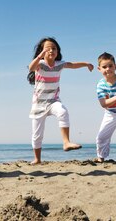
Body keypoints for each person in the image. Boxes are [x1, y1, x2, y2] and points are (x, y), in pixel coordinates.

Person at [27, 37, 94, 165]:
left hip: (53, 100)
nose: (51, 50)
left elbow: (72, 65)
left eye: (54, 48)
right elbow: (31, 68)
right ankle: (37, 159)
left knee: (63, 111)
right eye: (48, 49)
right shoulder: (40, 64)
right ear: (42, 51)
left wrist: (86, 64)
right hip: (39, 104)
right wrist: (39, 56)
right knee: (37, 134)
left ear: (57, 51)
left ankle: (66, 142)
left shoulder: (59, 65)